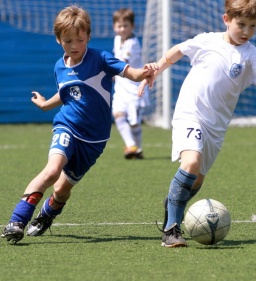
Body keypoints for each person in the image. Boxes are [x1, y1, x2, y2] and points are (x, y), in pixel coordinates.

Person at [1, 4, 156, 245]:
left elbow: (132, 73)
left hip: (94, 140)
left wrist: (145, 72)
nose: (74, 46)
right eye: (68, 41)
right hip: (67, 126)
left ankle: (47, 214)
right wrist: (45, 105)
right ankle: (17, 221)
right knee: (52, 171)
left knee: (62, 190)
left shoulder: (100, 59)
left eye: (80, 40)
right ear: (58, 40)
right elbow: (66, 94)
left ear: (88, 37)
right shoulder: (59, 66)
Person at [139, 0, 256, 248]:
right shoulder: (207, 40)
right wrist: (156, 69)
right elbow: (177, 51)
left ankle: (173, 201)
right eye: (241, 24)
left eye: (252, 26)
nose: (246, 31)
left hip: (216, 128)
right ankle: (171, 229)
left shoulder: (251, 55)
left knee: (196, 181)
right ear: (227, 20)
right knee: (190, 162)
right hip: (189, 113)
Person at [112, 8, 150, 159]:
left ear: (132, 27)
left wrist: (110, 71)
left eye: (125, 26)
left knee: (134, 122)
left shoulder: (132, 43)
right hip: (121, 87)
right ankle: (131, 145)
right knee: (118, 114)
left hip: (134, 87)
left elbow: (123, 62)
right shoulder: (116, 40)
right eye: (119, 26)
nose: (122, 29)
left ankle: (138, 148)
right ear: (114, 27)